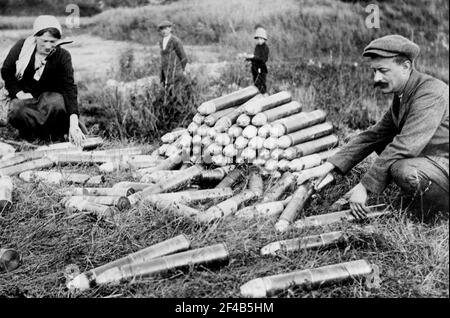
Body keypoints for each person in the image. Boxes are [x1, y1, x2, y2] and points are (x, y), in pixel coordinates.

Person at [308, 34, 449, 220]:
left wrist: (364, 186)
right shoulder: (404, 94)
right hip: (432, 160)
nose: (376, 78)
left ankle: (434, 213)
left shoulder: (431, 93)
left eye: (383, 70)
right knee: (384, 145)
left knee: (404, 170)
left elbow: (405, 145)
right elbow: (375, 135)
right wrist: (328, 165)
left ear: (406, 67)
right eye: (374, 71)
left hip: (444, 162)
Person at [0, 15, 86, 146]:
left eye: (53, 42)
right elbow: (6, 71)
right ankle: (29, 135)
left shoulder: (63, 56)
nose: (48, 46)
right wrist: (19, 93)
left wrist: (74, 123)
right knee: (17, 109)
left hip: (50, 100)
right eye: (44, 41)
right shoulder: (22, 47)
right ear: (35, 37)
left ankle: (54, 135)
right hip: (26, 99)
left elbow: (69, 88)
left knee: (57, 104)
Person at [157, 20, 188, 88]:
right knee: (167, 93)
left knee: (176, 92)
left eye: (166, 28)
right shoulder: (161, 41)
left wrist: (182, 70)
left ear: (170, 29)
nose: (164, 31)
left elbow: (183, 57)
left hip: (175, 72)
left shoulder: (175, 41)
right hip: (165, 72)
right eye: (162, 29)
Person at [241, 26, 269, 94]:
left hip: (261, 68)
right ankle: (257, 95)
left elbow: (262, 59)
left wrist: (252, 57)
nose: (259, 40)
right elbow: (255, 57)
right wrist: (247, 58)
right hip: (255, 68)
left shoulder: (265, 48)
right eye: (258, 39)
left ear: (264, 39)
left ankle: (263, 95)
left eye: (261, 39)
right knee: (256, 82)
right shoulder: (257, 47)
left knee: (261, 82)